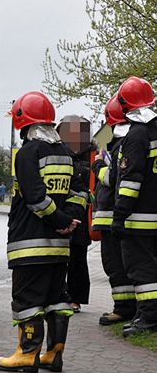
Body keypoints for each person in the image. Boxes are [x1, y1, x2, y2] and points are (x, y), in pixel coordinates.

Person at [0, 91, 81, 373]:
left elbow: (34, 197)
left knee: (28, 300)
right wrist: (69, 221)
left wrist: (57, 220)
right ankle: (54, 354)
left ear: (23, 122)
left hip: (30, 245)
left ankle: (27, 353)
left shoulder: (28, 153)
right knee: (57, 298)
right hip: (60, 246)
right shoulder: (67, 153)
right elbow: (79, 194)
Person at [113, 76, 157, 337]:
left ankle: (149, 318)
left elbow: (131, 181)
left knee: (143, 269)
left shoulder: (136, 135)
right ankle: (148, 314)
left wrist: (119, 216)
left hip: (139, 219)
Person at [92, 95, 137, 326]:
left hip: (113, 214)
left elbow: (112, 178)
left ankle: (124, 308)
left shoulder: (123, 143)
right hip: (116, 214)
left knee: (116, 264)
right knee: (121, 264)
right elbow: (97, 141)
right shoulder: (120, 138)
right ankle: (128, 307)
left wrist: (98, 166)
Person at [57, 117, 93, 312]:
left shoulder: (93, 156)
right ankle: (60, 296)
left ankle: (75, 299)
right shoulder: (58, 153)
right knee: (60, 259)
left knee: (78, 259)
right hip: (61, 213)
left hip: (81, 215)